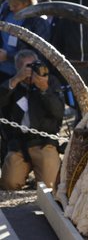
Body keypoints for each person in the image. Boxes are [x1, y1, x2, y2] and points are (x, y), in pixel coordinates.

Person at [0, 49, 64, 190]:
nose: (32, 70)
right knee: (9, 184)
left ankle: (47, 169)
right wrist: (16, 79)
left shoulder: (51, 81)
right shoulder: (12, 84)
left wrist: (44, 89)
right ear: (18, 68)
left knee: (50, 186)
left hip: (44, 143)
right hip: (19, 144)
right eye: (27, 67)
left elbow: (58, 112)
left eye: (35, 65)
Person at [0, 0, 51, 83]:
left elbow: (39, 56)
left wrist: (9, 57)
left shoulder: (39, 23)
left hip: (22, 77)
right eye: (9, 4)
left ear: (27, 2)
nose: (11, 8)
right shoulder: (5, 12)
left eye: (15, 5)